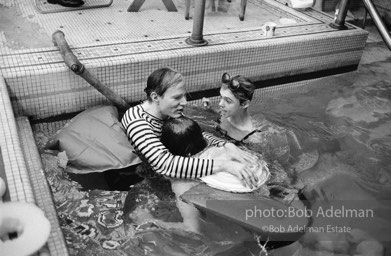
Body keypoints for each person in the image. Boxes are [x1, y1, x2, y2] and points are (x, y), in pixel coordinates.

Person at [121, 67, 259, 188]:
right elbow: (165, 164)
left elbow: (198, 133)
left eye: (184, 96)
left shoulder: (167, 111)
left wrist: (227, 145)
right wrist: (225, 165)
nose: (185, 102)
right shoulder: (139, 124)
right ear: (155, 97)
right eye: (177, 98)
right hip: (151, 175)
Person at [215, 72, 304, 167]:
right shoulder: (224, 113)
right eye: (221, 97)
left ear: (244, 104)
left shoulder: (254, 138)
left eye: (228, 101)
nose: (220, 104)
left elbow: (269, 168)